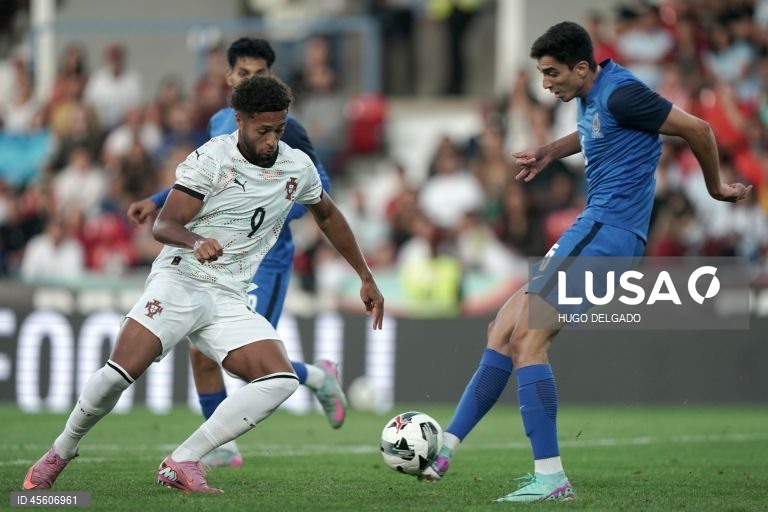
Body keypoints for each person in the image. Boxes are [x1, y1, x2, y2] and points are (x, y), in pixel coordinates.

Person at [419, 21, 751, 502]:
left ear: (581, 67)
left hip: (605, 234)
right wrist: (551, 152)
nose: (546, 83)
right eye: (541, 74)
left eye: (552, 73)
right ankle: (445, 450)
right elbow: (593, 132)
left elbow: (697, 129)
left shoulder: (621, 93)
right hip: (598, 231)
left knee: (530, 340)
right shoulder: (593, 95)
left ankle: (551, 479)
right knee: (502, 330)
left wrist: (716, 188)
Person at [22, 74, 384, 494]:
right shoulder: (212, 159)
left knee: (280, 380)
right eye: (262, 130)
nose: (271, 140)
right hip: (180, 279)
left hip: (228, 296)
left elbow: (328, 215)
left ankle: (185, 459)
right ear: (240, 121)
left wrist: (365, 275)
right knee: (119, 374)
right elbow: (164, 223)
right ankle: (60, 452)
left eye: (278, 130)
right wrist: (196, 241)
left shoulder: (296, 166)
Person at [126, 38, 342, 469]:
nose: (252, 81)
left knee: (247, 361)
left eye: (260, 75)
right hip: (219, 254)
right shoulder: (221, 122)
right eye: (244, 74)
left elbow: (321, 189)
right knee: (201, 351)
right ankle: (224, 451)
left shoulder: (288, 128)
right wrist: (156, 199)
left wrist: (275, 213)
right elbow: (210, 177)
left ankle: (317, 376)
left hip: (267, 258)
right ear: (229, 78)